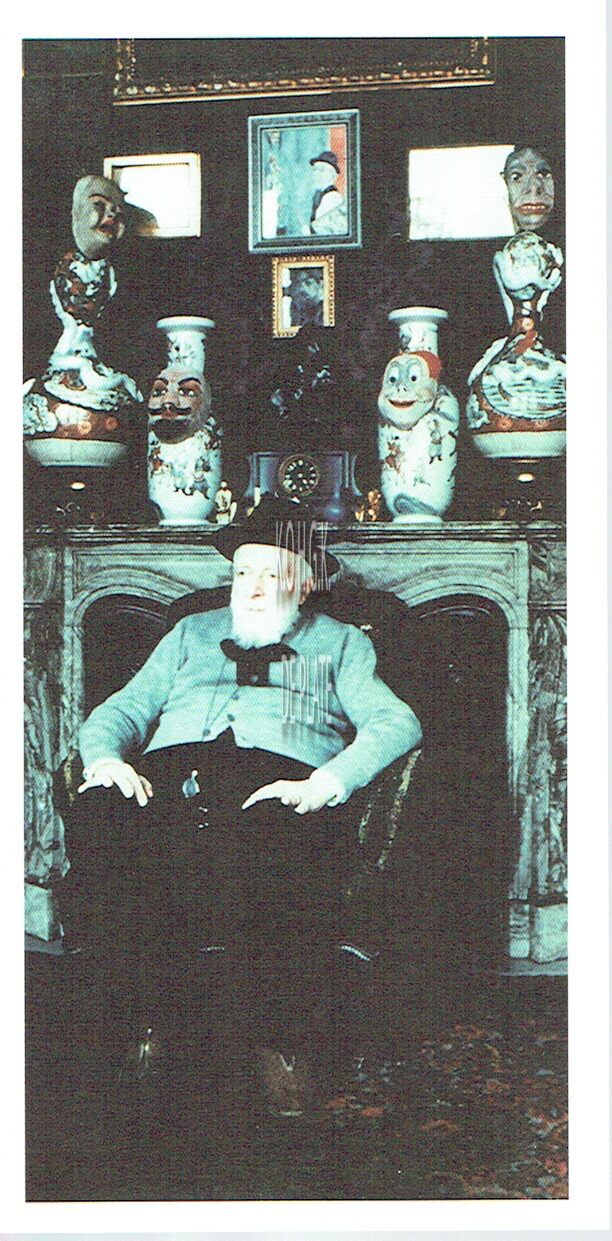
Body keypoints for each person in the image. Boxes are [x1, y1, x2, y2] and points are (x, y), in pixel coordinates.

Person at [59, 498, 422, 1113]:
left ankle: (281, 1044)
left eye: (271, 573)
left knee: (273, 849)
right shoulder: (189, 634)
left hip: (276, 786)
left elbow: (397, 723)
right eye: (242, 573)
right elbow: (121, 711)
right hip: (167, 778)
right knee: (103, 821)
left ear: (304, 584)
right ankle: (142, 1023)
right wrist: (107, 761)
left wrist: (325, 782)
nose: (252, 587)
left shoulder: (338, 645)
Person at [309, 150, 348, 236]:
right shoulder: (318, 195)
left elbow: (327, 231)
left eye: (322, 170)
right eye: (315, 169)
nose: (316, 173)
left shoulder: (333, 198)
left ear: (332, 175)